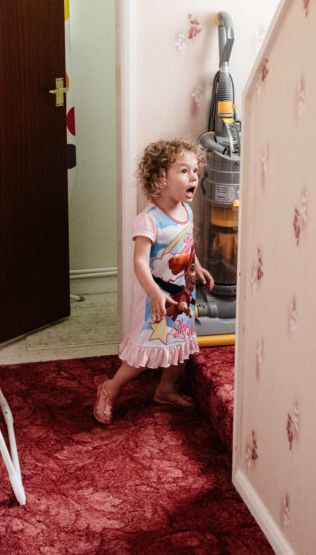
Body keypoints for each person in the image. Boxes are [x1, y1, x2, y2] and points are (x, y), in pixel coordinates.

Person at [94, 138, 214, 424]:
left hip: (183, 294)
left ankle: (165, 389)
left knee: (182, 346)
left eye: (195, 170)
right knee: (144, 352)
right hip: (157, 300)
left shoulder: (187, 212)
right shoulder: (149, 220)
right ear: (160, 178)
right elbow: (139, 261)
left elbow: (188, 244)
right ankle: (110, 387)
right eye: (184, 171)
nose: (193, 176)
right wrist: (154, 294)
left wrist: (198, 266)